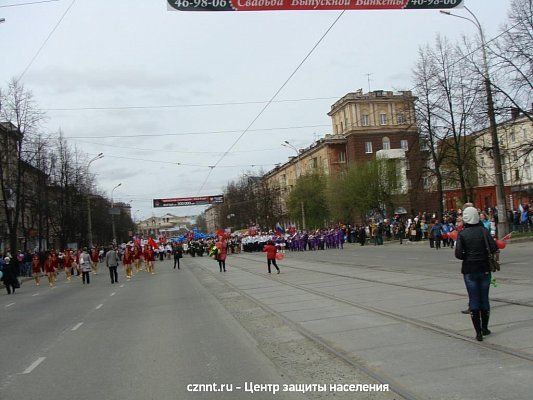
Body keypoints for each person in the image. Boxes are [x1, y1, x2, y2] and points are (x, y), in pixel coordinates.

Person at [455, 207, 498, 341]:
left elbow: (458, 254)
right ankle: (485, 328)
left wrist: (467, 256)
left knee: (473, 299)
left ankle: (478, 332)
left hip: (469, 270)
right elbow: (493, 248)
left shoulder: (462, 234)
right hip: (484, 268)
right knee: (484, 298)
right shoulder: (484, 231)